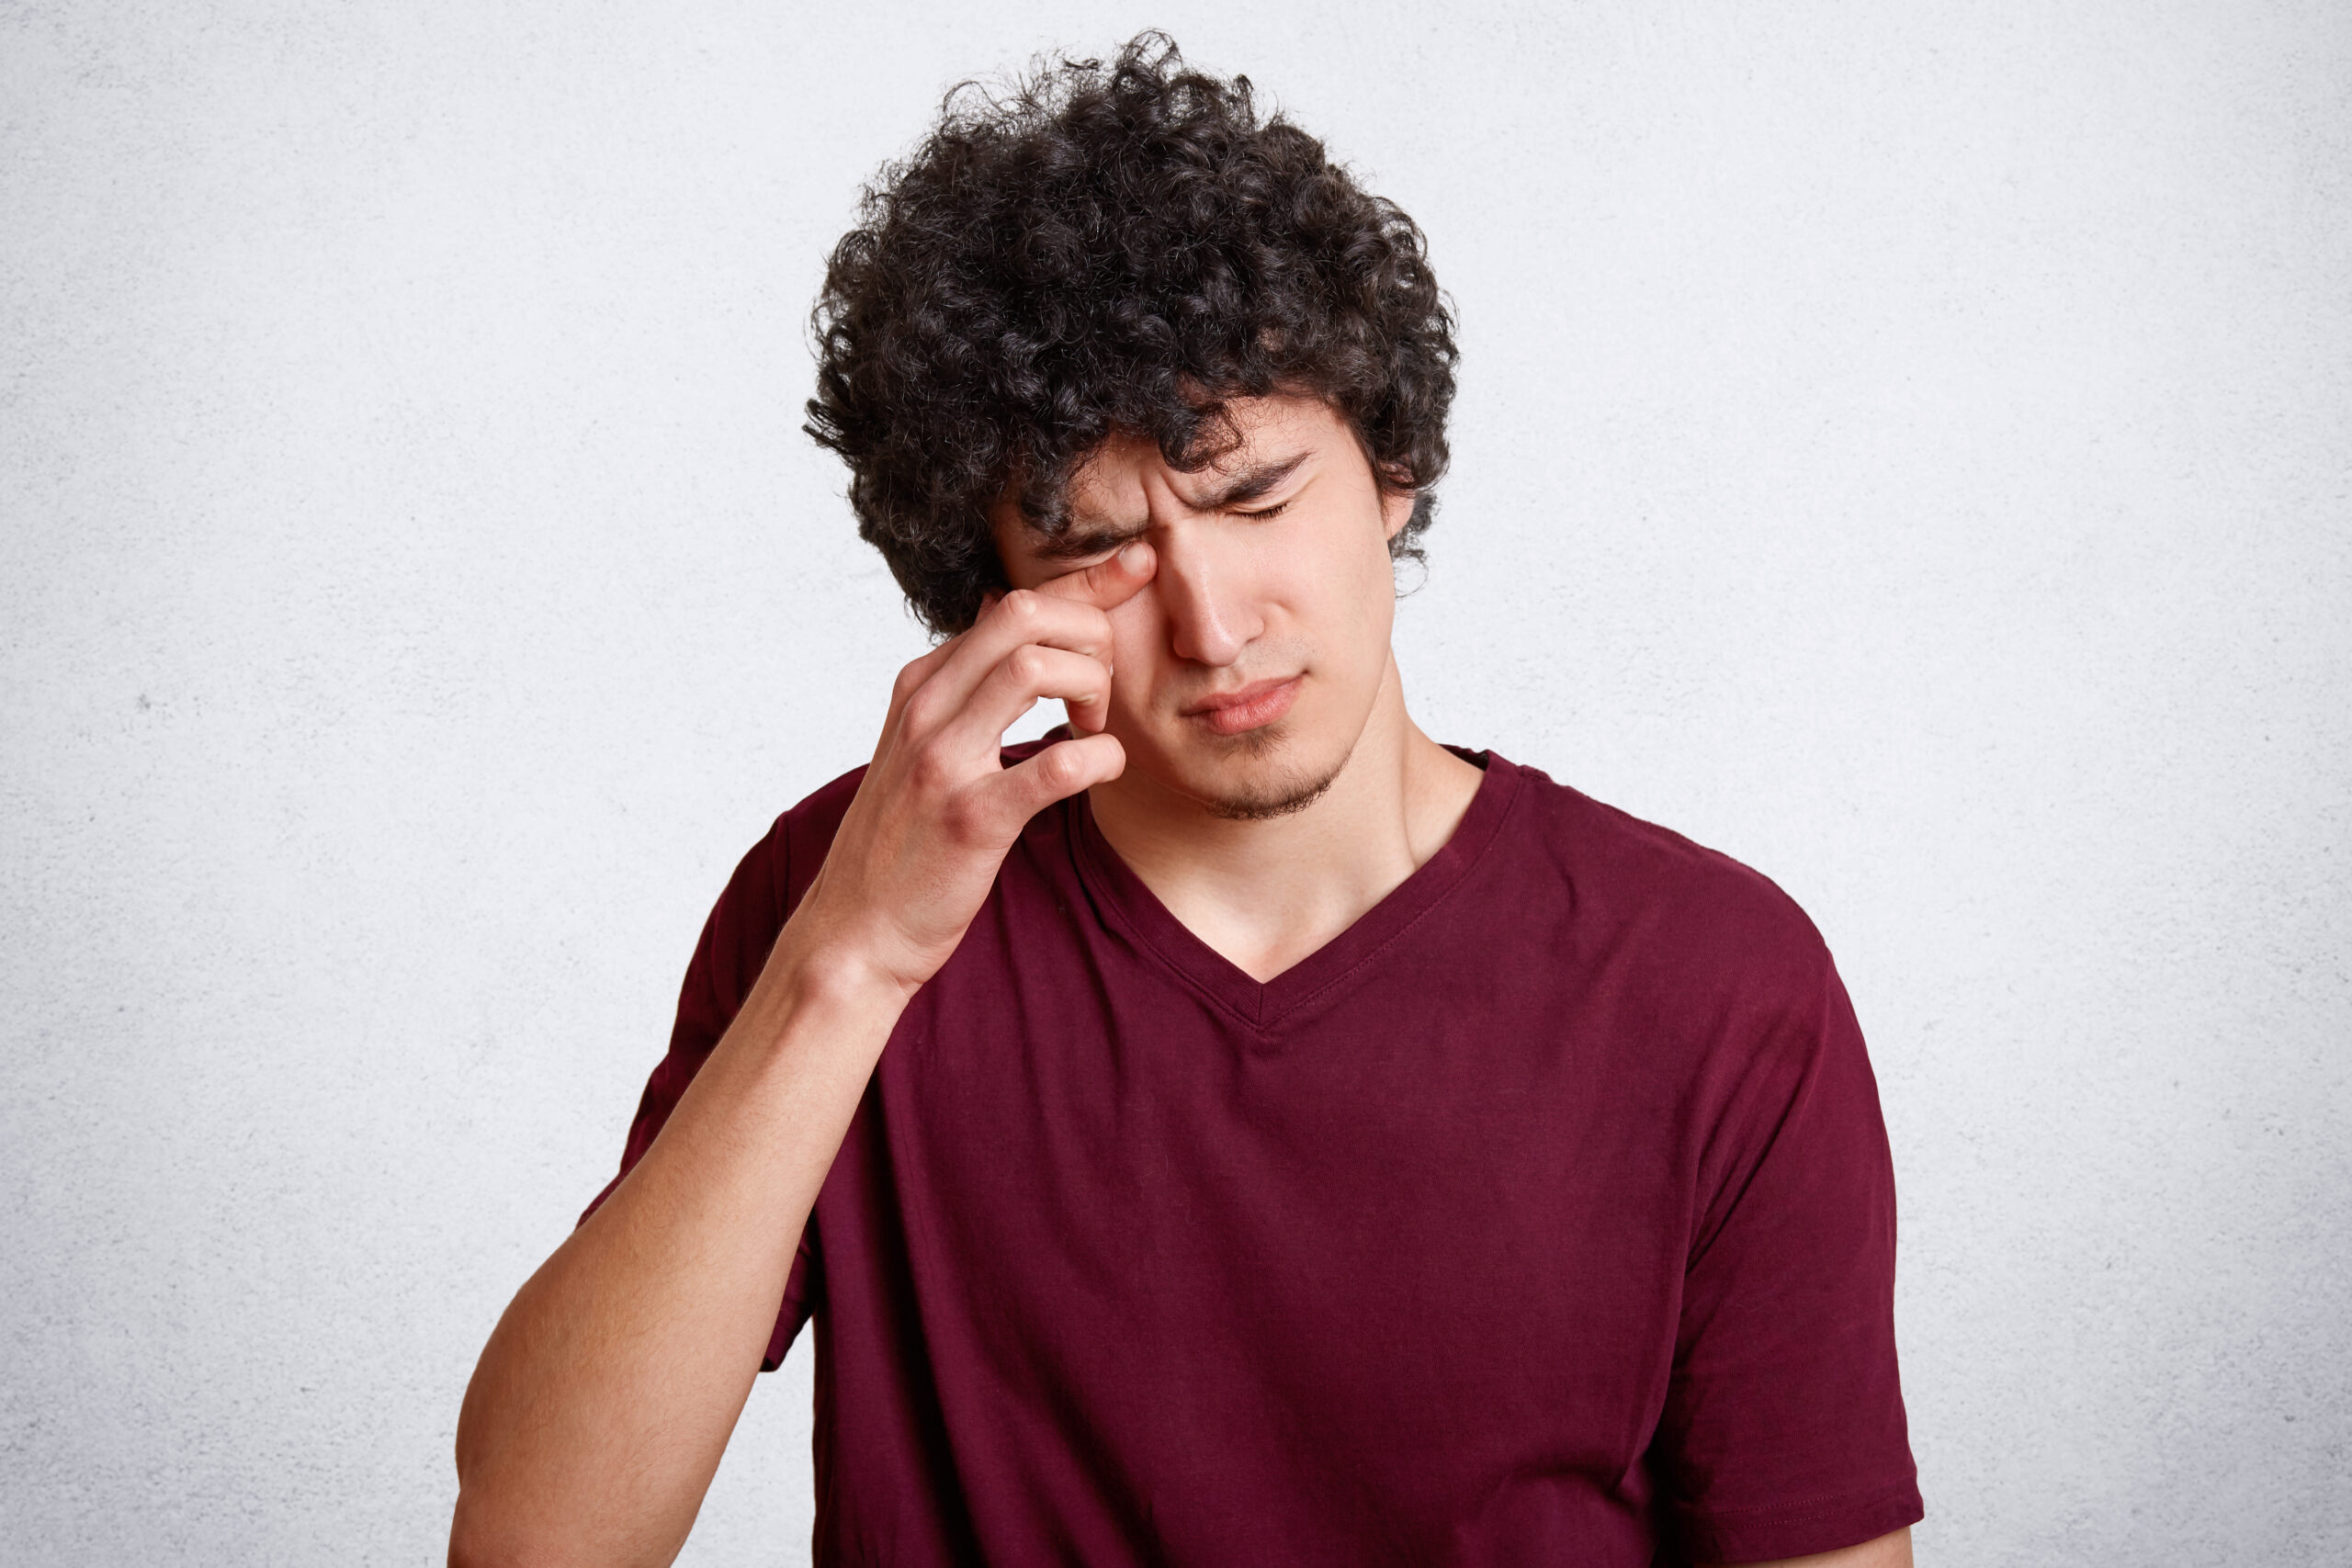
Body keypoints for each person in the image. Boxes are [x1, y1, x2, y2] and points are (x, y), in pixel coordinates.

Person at [449, 33, 1922, 1568]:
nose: (1214, 628)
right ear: (992, 593)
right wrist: (854, 962)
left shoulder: (1715, 984)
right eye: (1102, 553)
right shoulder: (855, 888)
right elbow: (535, 1538)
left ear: (1392, 466)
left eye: (1256, 497)